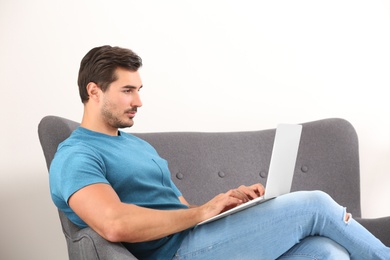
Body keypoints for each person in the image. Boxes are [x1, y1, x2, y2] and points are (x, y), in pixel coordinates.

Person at [50, 45, 390, 259]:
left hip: (199, 238)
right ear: (93, 91)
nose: (139, 101)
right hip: (177, 253)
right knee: (314, 204)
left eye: (139, 90)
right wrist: (200, 215)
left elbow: (179, 212)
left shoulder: (136, 144)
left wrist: (223, 206)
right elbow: (113, 224)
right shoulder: (76, 155)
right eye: (127, 90)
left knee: (326, 253)